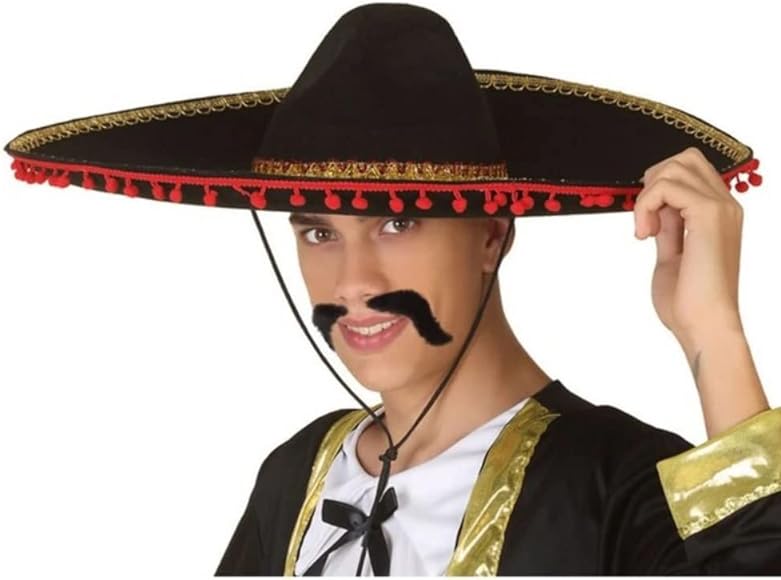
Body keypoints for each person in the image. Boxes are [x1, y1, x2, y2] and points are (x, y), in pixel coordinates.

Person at [5, 2, 778, 576]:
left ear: (491, 235)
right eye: (318, 233)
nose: (353, 283)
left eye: (396, 224)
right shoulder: (299, 471)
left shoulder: (618, 481)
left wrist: (712, 333)